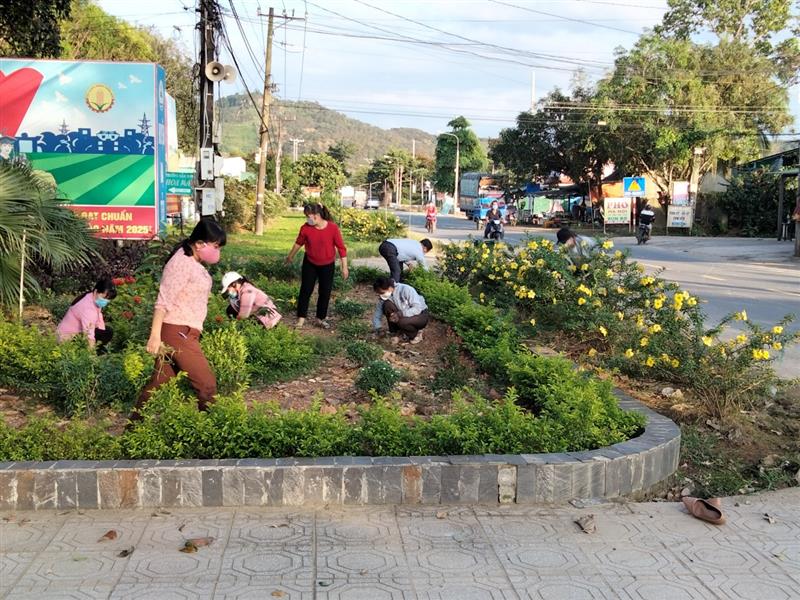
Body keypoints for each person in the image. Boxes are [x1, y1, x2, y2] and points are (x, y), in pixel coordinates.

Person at [133, 219, 227, 419]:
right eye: (216, 246)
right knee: (206, 384)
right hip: (178, 332)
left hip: (184, 331)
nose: (217, 251)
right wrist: (154, 336)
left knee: (159, 382)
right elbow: (162, 302)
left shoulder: (191, 260)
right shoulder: (181, 263)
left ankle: (133, 428)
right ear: (200, 244)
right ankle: (214, 433)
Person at [285, 203, 349, 329]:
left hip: (327, 264)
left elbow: (341, 248)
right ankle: (301, 319)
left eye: (308, 216)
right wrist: (290, 256)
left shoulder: (333, 228)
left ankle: (320, 318)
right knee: (305, 290)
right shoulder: (305, 228)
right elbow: (299, 243)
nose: (307, 219)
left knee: (325, 292)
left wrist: (344, 267)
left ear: (317, 215)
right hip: (310, 262)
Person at [56, 277, 116, 351]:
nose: (105, 301)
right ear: (96, 291)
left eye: (108, 299)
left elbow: (98, 319)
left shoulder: (91, 297)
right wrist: (91, 356)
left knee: (106, 332)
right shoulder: (87, 308)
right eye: (104, 297)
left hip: (77, 333)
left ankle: (98, 351)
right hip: (67, 339)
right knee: (105, 334)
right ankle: (89, 354)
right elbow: (88, 334)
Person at [372, 276, 429, 344]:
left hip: (420, 315)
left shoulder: (406, 289)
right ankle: (396, 332)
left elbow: (417, 308)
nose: (380, 295)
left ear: (390, 288)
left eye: (382, 292)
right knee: (387, 305)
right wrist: (378, 328)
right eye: (379, 294)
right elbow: (377, 313)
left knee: (402, 321)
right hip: (404, 314)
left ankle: (415, 334)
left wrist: (400, 314)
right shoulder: (385, 296)